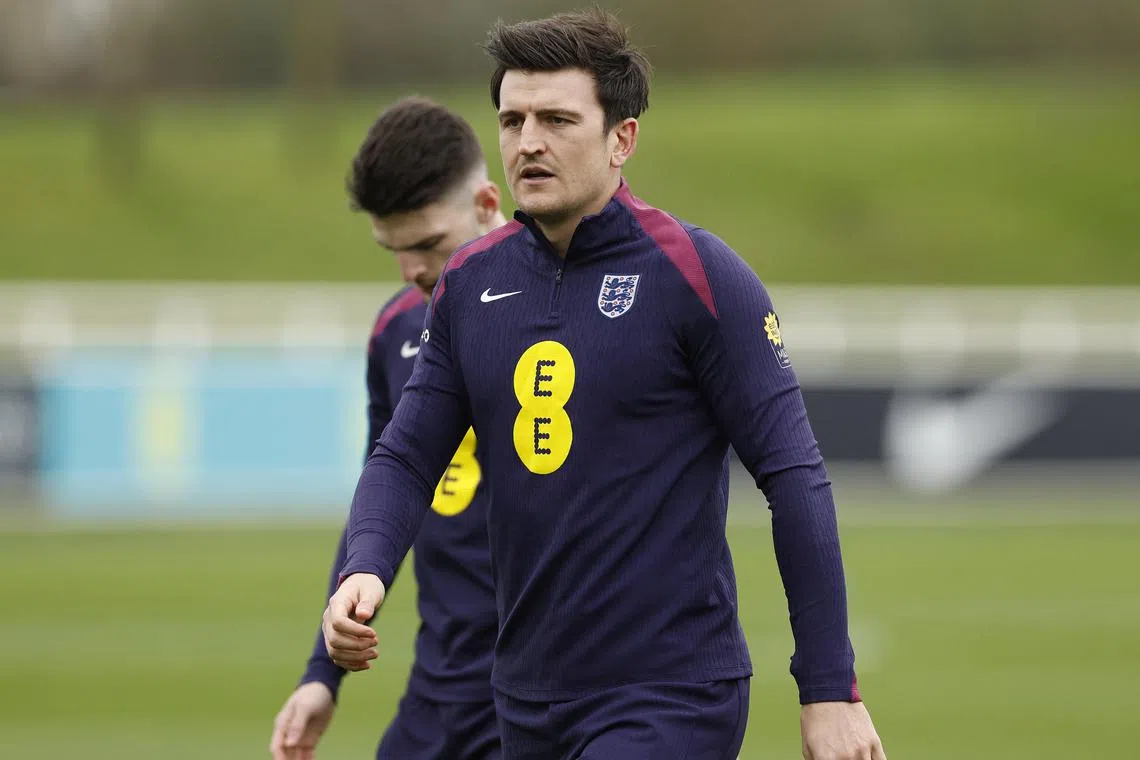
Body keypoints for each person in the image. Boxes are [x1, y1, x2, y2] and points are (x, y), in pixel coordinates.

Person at [324, 9, 886, 760]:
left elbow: (795, 476)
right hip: (522, 698)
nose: (529, 141)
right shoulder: (469, 283)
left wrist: (828, 689)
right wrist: (364, 567)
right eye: (513, 119)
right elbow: (404, 457)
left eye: (557, 119)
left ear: (621, 138)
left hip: (669, 694)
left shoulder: (696, 274)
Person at [270, 96, 507, 760]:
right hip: (440, 698)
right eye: (393, 250)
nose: (410, 272)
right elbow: (386, 498)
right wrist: (324, 672)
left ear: (488, 204)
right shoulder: (397, 329)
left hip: (551, 701)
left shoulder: (568, 312)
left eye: (428, 244)